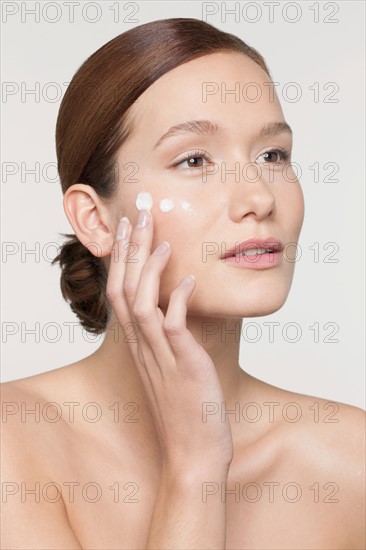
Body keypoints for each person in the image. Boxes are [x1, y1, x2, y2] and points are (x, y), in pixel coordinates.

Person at [1, 17, 364, 549]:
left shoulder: (349, 460)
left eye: (273, 155)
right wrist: (194, 471)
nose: (259, 199)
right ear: (96, 220)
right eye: (195, 159)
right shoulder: (16, 444)